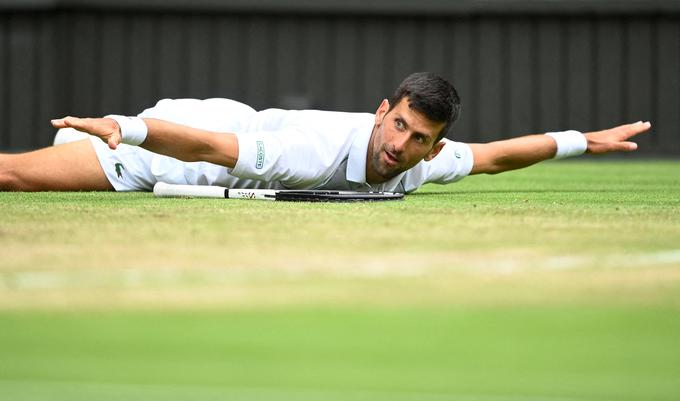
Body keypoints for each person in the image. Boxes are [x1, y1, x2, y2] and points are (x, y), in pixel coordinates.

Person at [0, 72, 649, 193]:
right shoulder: (311, 151)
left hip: (216, 132)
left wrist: (582, 141)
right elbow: (204, 147)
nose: (401, 145)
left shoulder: (422, 161)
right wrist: (125, 130)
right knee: (12, 174)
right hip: (175, 148)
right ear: (380, 111)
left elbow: (493, 158)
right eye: (397, 124)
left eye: (419, 138)